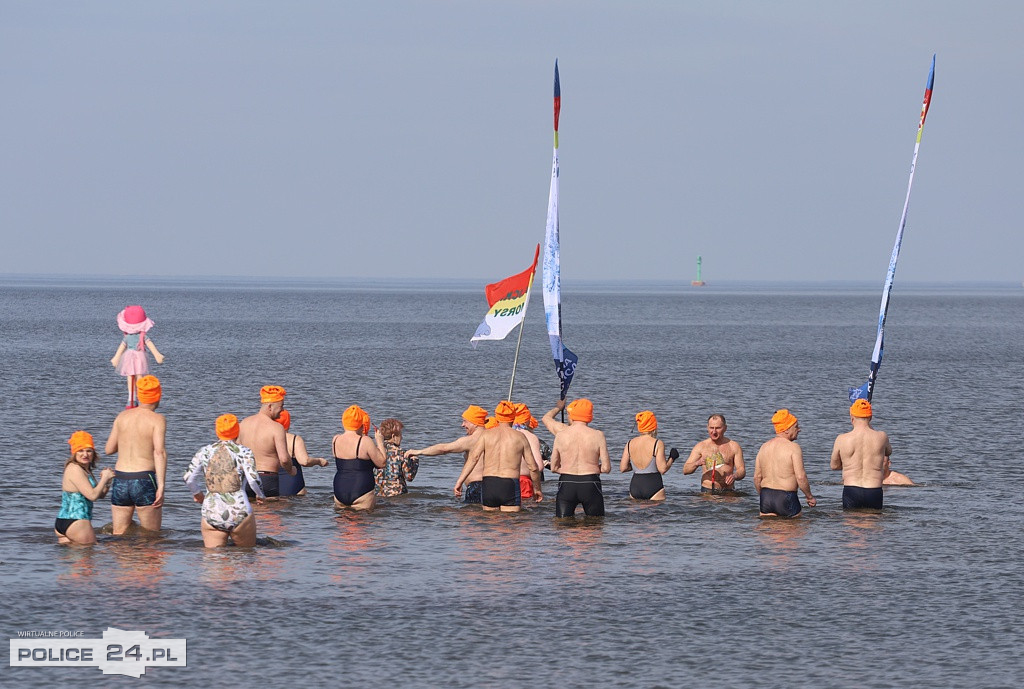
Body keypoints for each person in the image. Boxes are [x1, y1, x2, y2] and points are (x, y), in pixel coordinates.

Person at [183, 414, 265, 547]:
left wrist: (197, 493)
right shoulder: (244, 451)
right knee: (245, 558)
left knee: (214, 561)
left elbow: (188, 477)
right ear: (237, 431)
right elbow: (253, 479)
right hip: (239, 510)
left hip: (211, 511)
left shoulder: (204, 451)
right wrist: (260, 495)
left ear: (217, 431)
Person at [104, 374, 167, 534]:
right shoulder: (157, 419)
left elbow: (109, 449)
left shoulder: (122, 416)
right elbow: (159, 452)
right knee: (151, 536)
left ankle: (125, 559)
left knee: (119, 535)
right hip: (144, 479)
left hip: (121, 479)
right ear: (158, 396)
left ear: (139, 395)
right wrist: (161, 486)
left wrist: (128, 440)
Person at [455, 401, 541, 512]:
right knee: (512, 522)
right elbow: (533, 467)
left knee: (490, 524)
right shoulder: (520, 437)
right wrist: (537, 489)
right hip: (509, 483)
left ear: (497, 416)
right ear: (513, 416)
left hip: (489, 484)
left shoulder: (486, 435)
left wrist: (459, 482)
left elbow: (473, 459)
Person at [542, 398, 611, 517]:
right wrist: (591, 468)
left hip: (567, 483)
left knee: (563, 527)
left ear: (572, 415)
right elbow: (606, 468)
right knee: (595, 526)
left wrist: (559, 407)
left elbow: (553, 467)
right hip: (590, 483)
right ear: (590, 416)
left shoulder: (561, 435)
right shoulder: (598, 435)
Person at [405, 405, 488, 503]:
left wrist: (418, 451)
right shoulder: (493, 437)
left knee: (469, 516)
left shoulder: (471, 440)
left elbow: (443, 449)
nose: (462, 425)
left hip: (477, 486)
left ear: (475, 423)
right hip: (493, 485)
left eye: (465, 421)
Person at [55, 431, 116, 545]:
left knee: (71, 561)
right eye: (80, 450)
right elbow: (92, 496)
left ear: (93, 453)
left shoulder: (85, 469)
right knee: (89, 558)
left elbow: (100, 494)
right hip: (77, 522)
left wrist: (108, 481)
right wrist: (104, 479)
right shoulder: (74, 469)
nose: (85, 454)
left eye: (89, 451)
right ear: (74, 453)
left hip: (65, 522)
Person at [830, 399, 892, 509]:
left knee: (851, 523)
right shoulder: (882, 437)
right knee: (873, 523)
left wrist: (849, 464)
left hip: (851, 489)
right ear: (871, 418)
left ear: (852, 418)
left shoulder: (841, 439)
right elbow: (888, 452)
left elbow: (834, 466)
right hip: (874, 489)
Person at [753, 409, 816, 517]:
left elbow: (756, 478)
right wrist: (809, 497)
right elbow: (801, 477)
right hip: (786, 496)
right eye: (796, 427)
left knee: (768, 532)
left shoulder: (764, 447)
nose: (799, 430)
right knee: (795, 531)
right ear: (786, 430)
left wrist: (763, 496)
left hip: (766, 496)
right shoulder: (793, 448)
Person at [237, 385, 296, 499]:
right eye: (281, 406)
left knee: (252, 513)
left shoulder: (244, 423)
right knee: (270, 514)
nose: (282, 410)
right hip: (267, 479)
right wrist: (291, 470)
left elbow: (237, 451)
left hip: (247, 479)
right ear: (270, 406)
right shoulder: (276, 428)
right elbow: (284, 459)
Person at [110, 305, 165, 409]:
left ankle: (138, 397)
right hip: (135, 357)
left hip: (135, 356)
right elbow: (122, 346)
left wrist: (157, 355)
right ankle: (132, 398)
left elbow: (123, 346)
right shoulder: (131, 337)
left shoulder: (140, 336)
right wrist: (116, 357)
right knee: (131, 377)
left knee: (138, 377)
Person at [332, 405, 386, 510]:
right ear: (361, 424)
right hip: (361, 489)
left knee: (342, 524)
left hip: (339, 489)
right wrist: (380, 442)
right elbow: (382, 463)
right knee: (362, 523)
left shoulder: (335, 439)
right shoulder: (365, 441)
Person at [682, 414, 745, 493]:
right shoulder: (701, 446)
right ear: (707, 428)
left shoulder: (734, 446)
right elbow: (685, 470)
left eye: (718, 428)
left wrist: (734, 476)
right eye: (711, 428)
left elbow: (741, 470)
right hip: (707, 491)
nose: (714, 431)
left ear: (725, 428)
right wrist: (697, 463)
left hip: (728, 491)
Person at [620, 410, 674, 500]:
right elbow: (663, 469)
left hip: (635, 486)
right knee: (657, 513)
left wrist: (635, 466)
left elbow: (623, 468)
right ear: (653, 426)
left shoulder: (629, 443)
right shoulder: (657, 443)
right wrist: (672, 458)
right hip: (653, 485)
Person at [274, 409, 329, 497]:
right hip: (293, 484)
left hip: (270, 483)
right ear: (288, 423)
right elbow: (305, 461)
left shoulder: (265, 438)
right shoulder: (294, 439)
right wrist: (319, 461)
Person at [374, 418, 419, 497]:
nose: (402, 438)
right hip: (397, 495)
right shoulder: (401, 453)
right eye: (400, 435)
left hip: (378, 495)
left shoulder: (375, 451)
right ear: (393, 436)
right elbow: (409, 476)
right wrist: (415, 460)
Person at [513, 403, 545, 502]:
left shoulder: (500, 434)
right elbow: (538, 467)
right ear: (527, 419)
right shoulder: (530, 437)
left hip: (502, 481)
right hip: (523, 481)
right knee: (526, 512)